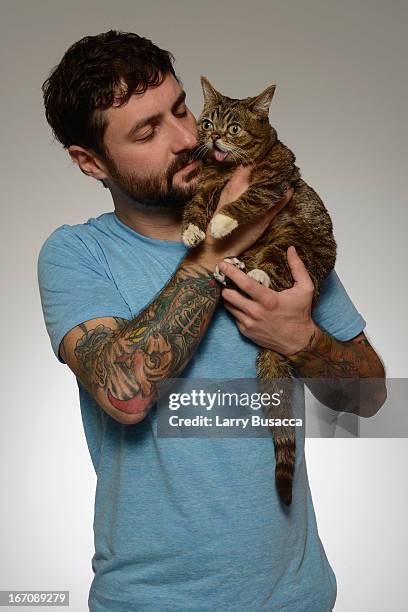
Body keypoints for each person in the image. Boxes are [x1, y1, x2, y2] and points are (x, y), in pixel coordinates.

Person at [37, 30, 386, 612]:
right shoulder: (77, 254)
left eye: (180, 110)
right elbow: (126, 392)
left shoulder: (280, 224)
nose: (184, 139)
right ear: (90, 161)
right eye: (147, 131)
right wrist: (214, 253)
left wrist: (301, 340)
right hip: (150, 602)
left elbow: (370, 400)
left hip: (295, 598)